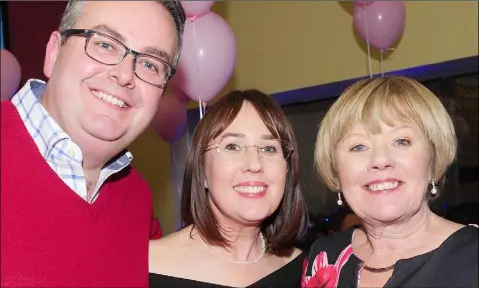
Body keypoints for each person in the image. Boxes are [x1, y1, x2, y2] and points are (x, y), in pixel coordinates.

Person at [1, 1, 185, 287]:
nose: (125, 75)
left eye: (150, 64)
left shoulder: (137, 199)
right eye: (106, 44)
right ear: (53, 52)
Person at [302, 76, 478, 288]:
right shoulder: (322, 257)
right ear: (336, 170)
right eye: (358, 146)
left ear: (432, 160)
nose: (380, 160)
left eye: (401, 141)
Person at [149, 89, 309, 287]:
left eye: (268, 148)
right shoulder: (147, 266)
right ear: (203, 172)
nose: (255, 164)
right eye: (232, 147)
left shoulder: (304, 270)